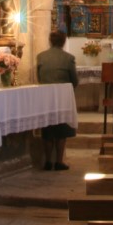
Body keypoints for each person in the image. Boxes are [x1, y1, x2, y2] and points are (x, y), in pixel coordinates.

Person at [35, 30, 79, 170]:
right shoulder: (68, 58)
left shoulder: (41, 57)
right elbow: (74, 80)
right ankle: (59, 162)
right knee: (62, 130)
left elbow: (39, 78)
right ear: (64, 41)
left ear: (50, 41)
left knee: (47, 130)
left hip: (46, 97)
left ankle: (48, 161)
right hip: (62, 98)